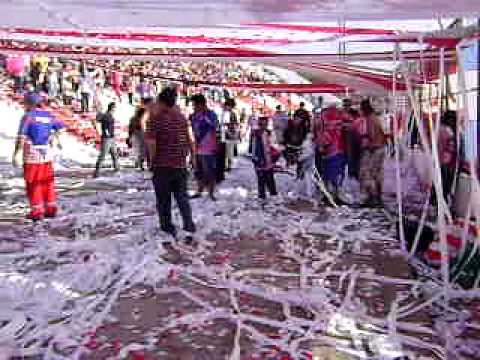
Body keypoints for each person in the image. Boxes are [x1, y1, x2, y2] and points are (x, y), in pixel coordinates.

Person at [149, 87, 196, 241]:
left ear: (162, 102)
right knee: (182, 197)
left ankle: (167, 227)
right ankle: (188, 224)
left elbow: (152, 144)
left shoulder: (156, 120)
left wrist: (152, 161)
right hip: (180, 163)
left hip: (162, 165)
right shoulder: (182, 118)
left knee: (163, 199)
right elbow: (191, 139)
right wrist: (193, 157)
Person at [12, 92, 64, 221]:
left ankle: (37, 210)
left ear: (29, 103)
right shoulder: (49, 115)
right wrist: (54, 137)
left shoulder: (28, 117)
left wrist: (16, 153)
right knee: (48, 181)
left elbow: (22, 136)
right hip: (46, 153)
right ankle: (51, 208)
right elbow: (61, 128)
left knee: (34, 181)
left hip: (32, 154)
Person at [357, 99, 387, 207]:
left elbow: (373, 136)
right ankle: (377, 198)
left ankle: (373, 198)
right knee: (377, 175)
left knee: (368, 174)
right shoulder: (374, 118)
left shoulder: (370, 119)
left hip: (375, 149)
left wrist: (367, 145)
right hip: (380, 148)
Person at [189, 94, 218, 201]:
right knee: (198, 170)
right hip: (196, 147)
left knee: (209, 171)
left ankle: (211, 192)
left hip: (208, 147)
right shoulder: (193, 116)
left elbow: (215, 127)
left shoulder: (211, 115)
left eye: (195, 105)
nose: (194, 107)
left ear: (201, 104)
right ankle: (199, 190)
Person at [252, 116, 279, 201]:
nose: (263, 126)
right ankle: (262, 196)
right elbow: (253, 148)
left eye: (265, 124)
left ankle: (273, 194)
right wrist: (254, 158)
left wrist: (274, 157)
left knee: (270, 178)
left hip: (268, 159)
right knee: (261, 179)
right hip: (259, 159)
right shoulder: (255, 134)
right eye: (261, 124)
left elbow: (275, 146)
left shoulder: (270, 133)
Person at [93, 102, 120, 178]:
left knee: (114, 154)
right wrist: (101, 131)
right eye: (114, 107)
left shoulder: (110, 115)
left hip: (112, 137)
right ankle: (97, 172)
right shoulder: (105, 115)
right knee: (103, 155)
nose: (115, 109)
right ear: (111, 108)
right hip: (106, 138)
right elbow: (95, 121)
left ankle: (117, 169)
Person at [223, 98, 239, 171]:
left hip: (228, 135)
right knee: (228, 151)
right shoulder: (231, 113)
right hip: (229, 134)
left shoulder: (229, 113)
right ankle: (228, 165)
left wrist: (232, 134)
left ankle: (228, 166)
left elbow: (227, 125)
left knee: (228, 152)